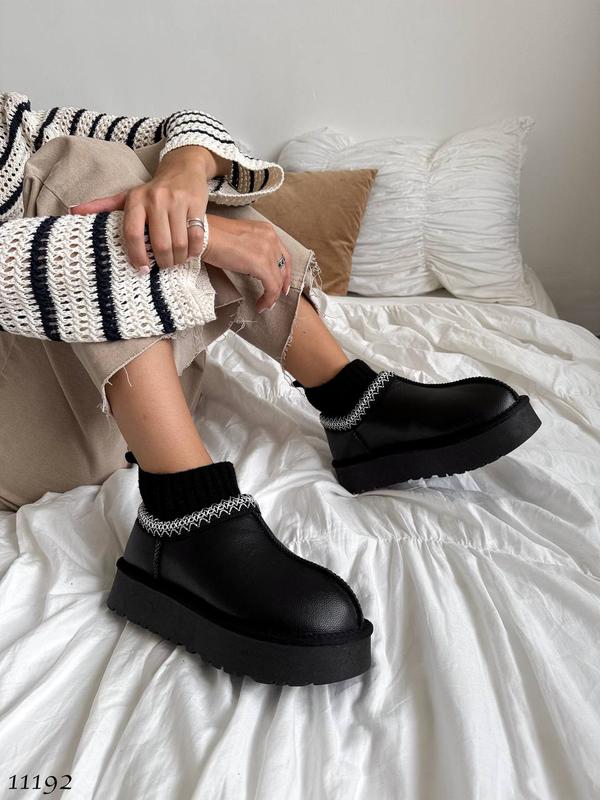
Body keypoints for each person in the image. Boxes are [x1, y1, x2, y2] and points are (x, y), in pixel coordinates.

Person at [0, 91, 542, 685]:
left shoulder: (11, 120)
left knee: (163, 179)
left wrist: (185, 174)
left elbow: (181, 128)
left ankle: (352, 401)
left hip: (108, 397)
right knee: (87, 170)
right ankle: (181, 513)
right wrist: (202, 236)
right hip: (24, 442)